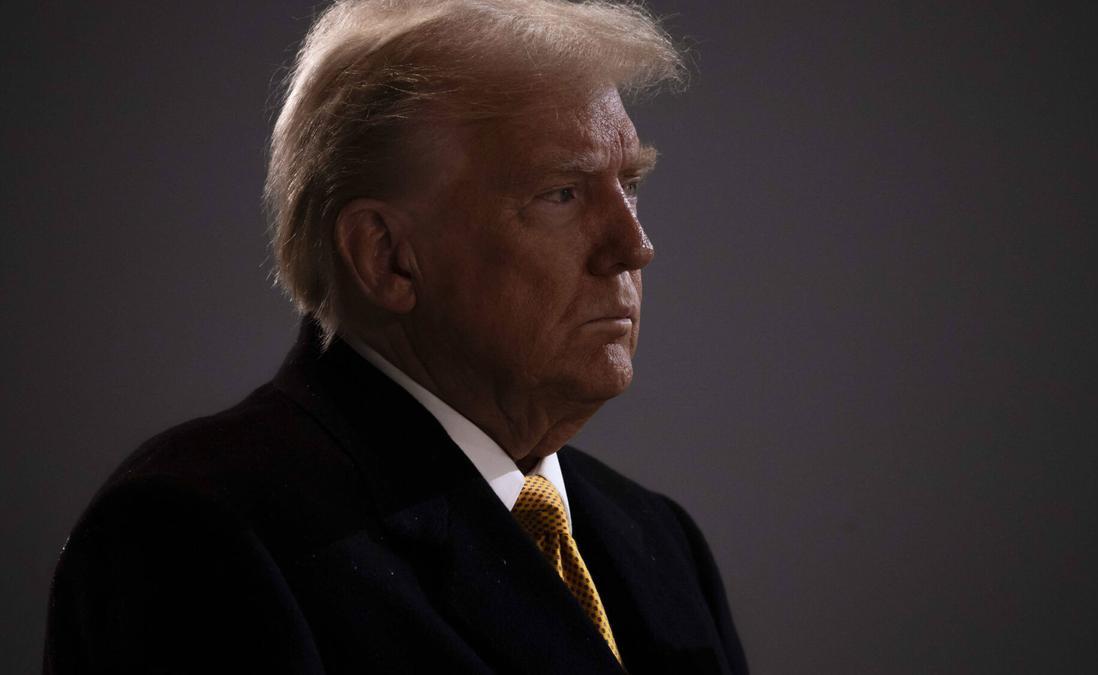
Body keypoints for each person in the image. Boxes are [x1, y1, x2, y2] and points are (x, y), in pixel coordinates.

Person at [43, 1, 747, 673]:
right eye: (561, 194)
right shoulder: (195, 537)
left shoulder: (658, 541)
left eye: (629, 183)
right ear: (386, 256)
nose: (634, 245)